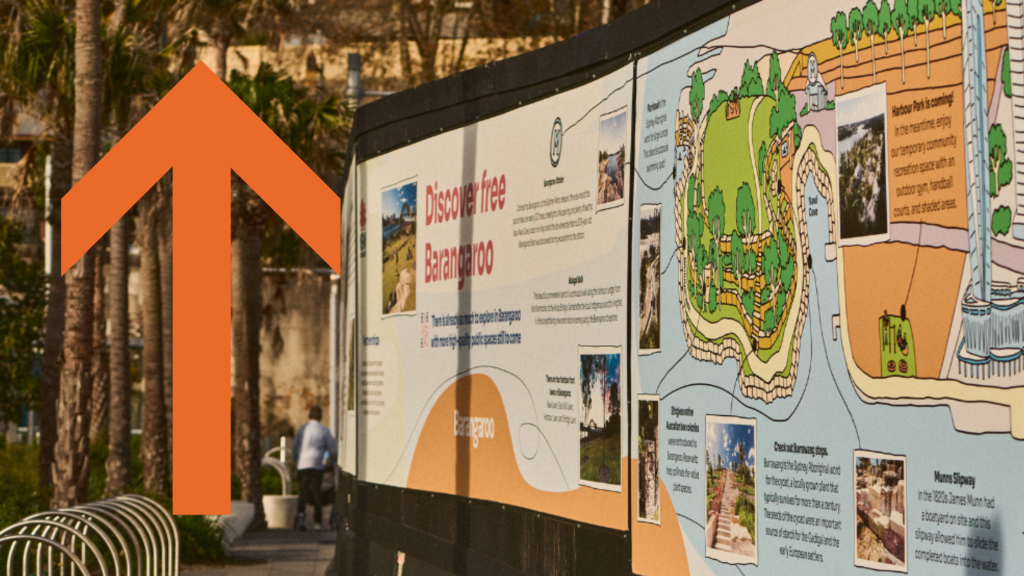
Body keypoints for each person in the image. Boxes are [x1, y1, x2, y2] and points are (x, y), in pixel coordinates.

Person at [292, 405, 337, 531]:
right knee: (316, 491)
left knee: (303, 491)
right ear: (321, 416)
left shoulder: (302, 429)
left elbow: (295, 447)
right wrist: (332, 462)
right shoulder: (324, 430)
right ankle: (318, 521)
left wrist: (296, 462)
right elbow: (333, 449)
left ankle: (301, 516)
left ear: (309, 415)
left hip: (303, 464)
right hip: (317, 464)